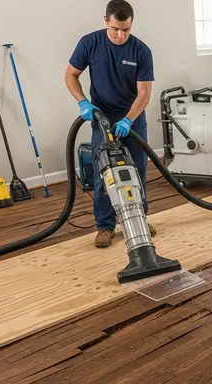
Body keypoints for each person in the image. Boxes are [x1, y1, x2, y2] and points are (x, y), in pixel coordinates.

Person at [64, 0, 156, 248]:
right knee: (103, 173)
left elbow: (144, 93)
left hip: (132, 118)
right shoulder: (90, 43)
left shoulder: (141, 51)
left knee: (137, 171)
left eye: (126, 30)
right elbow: (70, 74)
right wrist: (83, 102)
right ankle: (105, 226)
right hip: (101, 117)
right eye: (116, 28)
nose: (120, 35)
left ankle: (138, 220)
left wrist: (129, 118)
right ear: (106, 20)